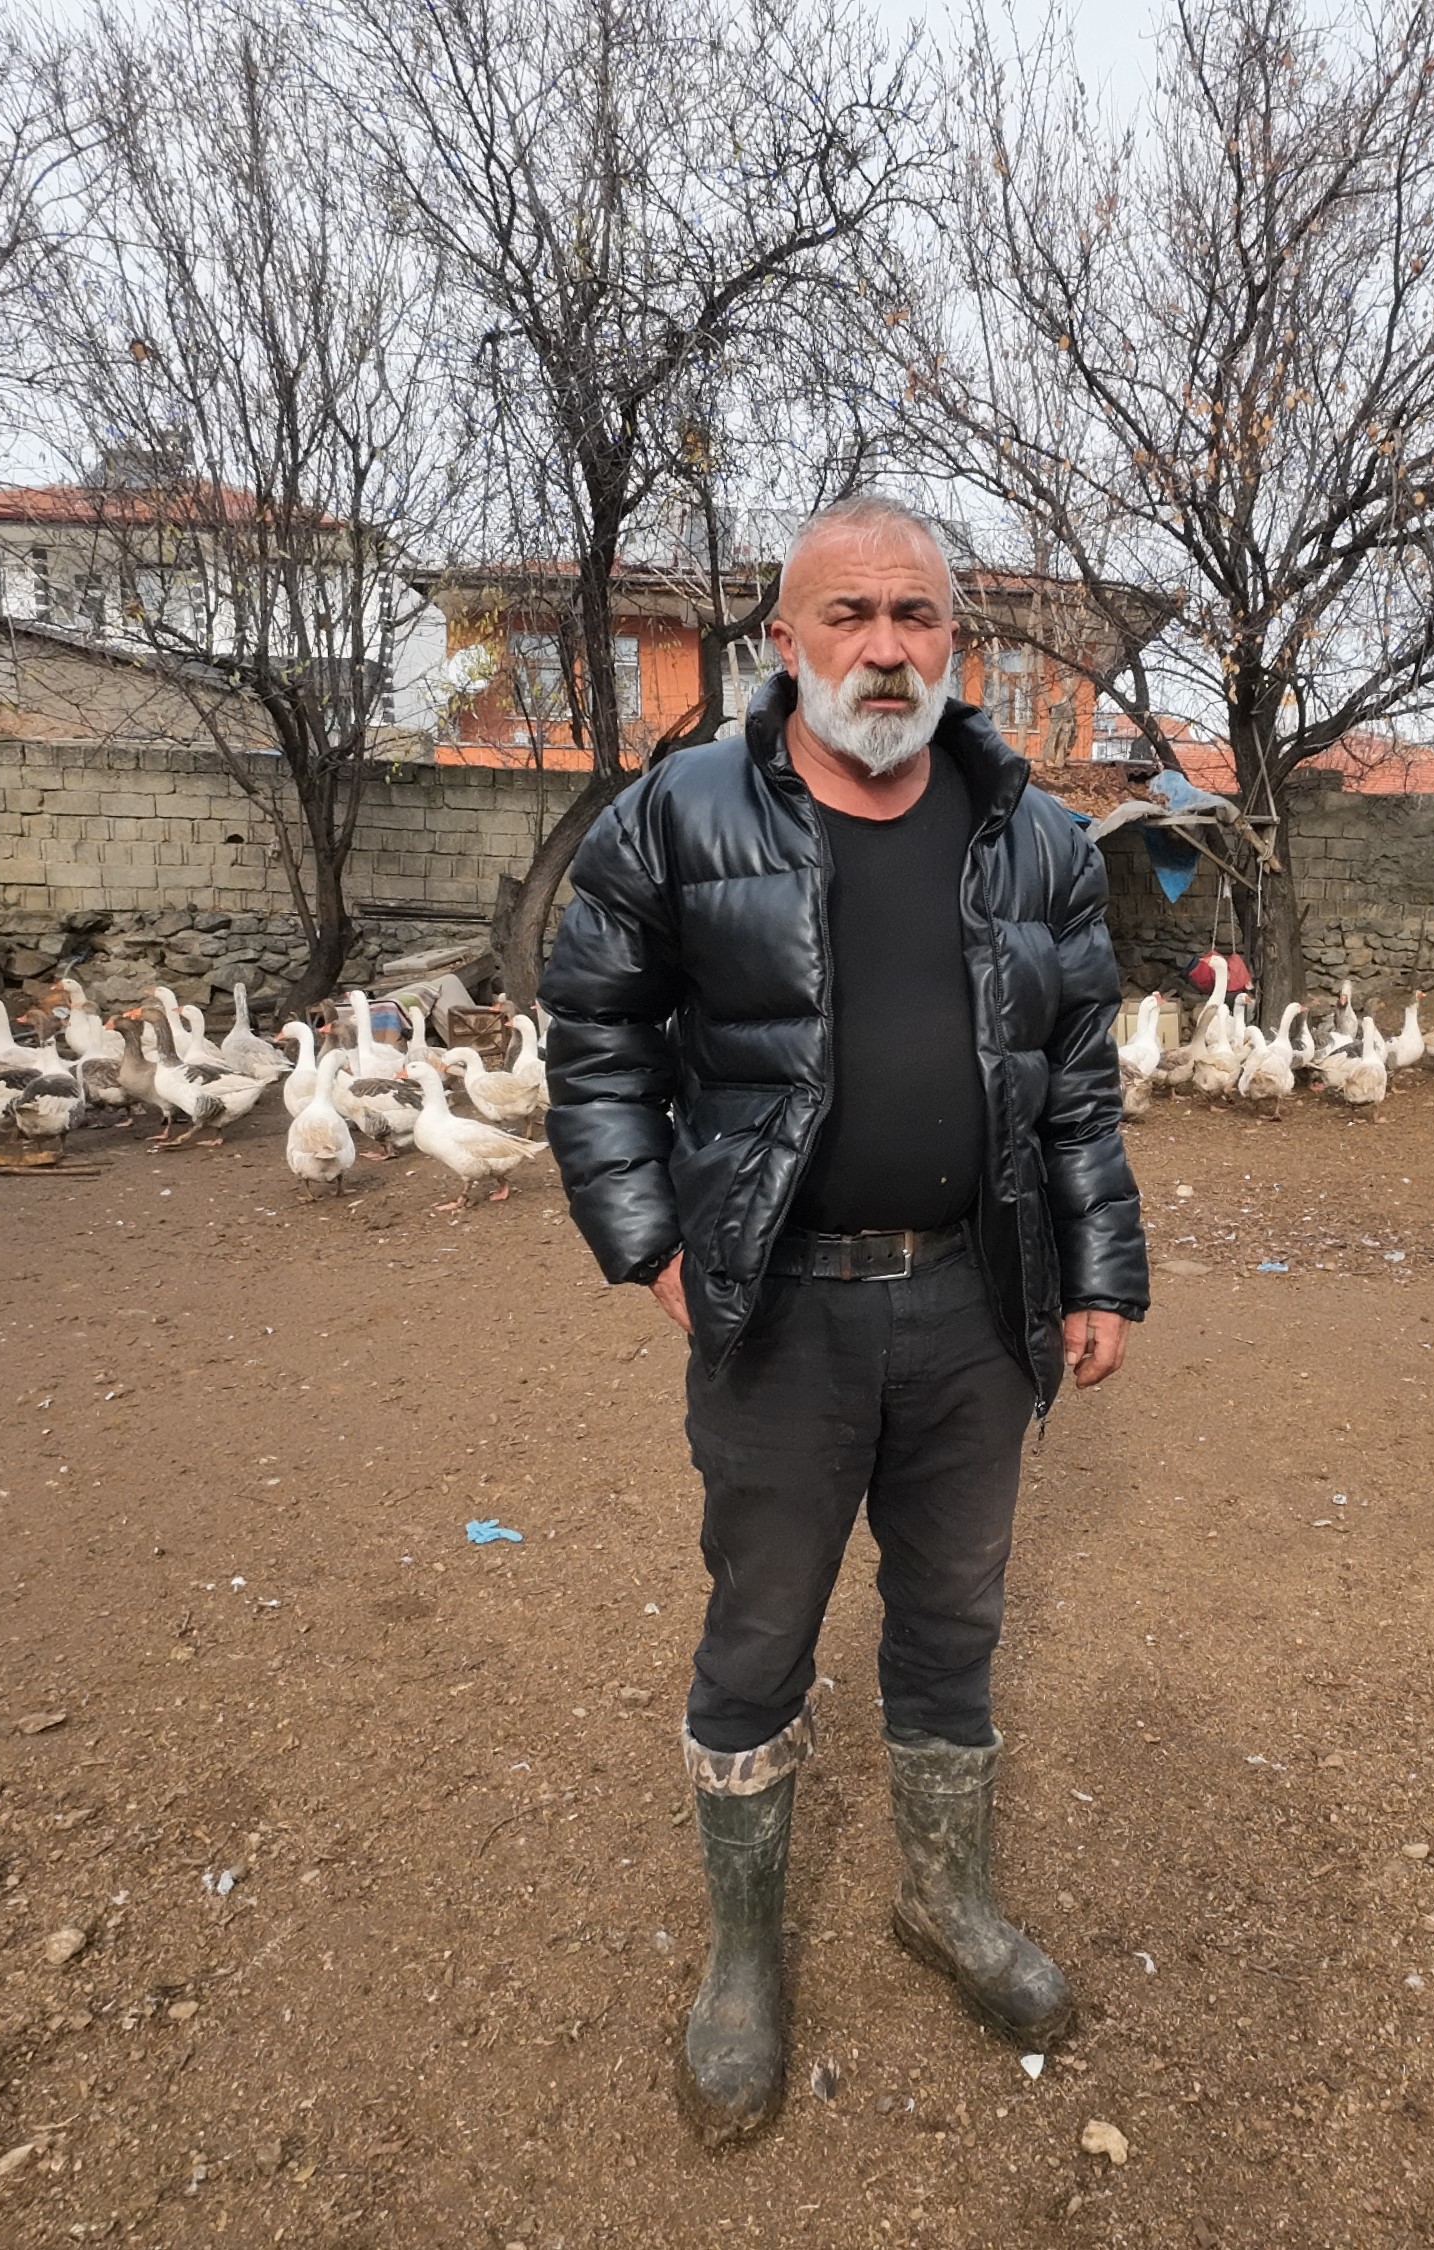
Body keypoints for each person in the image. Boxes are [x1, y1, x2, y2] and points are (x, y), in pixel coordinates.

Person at [542, 494, 1148, 2146]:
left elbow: (1077, 1083)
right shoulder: (677, 815)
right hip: (778, 1313)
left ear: (957, 644)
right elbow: (592, 1036)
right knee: (761, 1634)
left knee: (953, 1622)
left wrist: (1098, 1266)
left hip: (973, 1298)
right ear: (785, 642)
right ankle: (744, 1953)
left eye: (919, 618)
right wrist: (652, 1241)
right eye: (851, 615)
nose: (888, 647)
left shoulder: (1032, 835)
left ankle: (943, 1902)